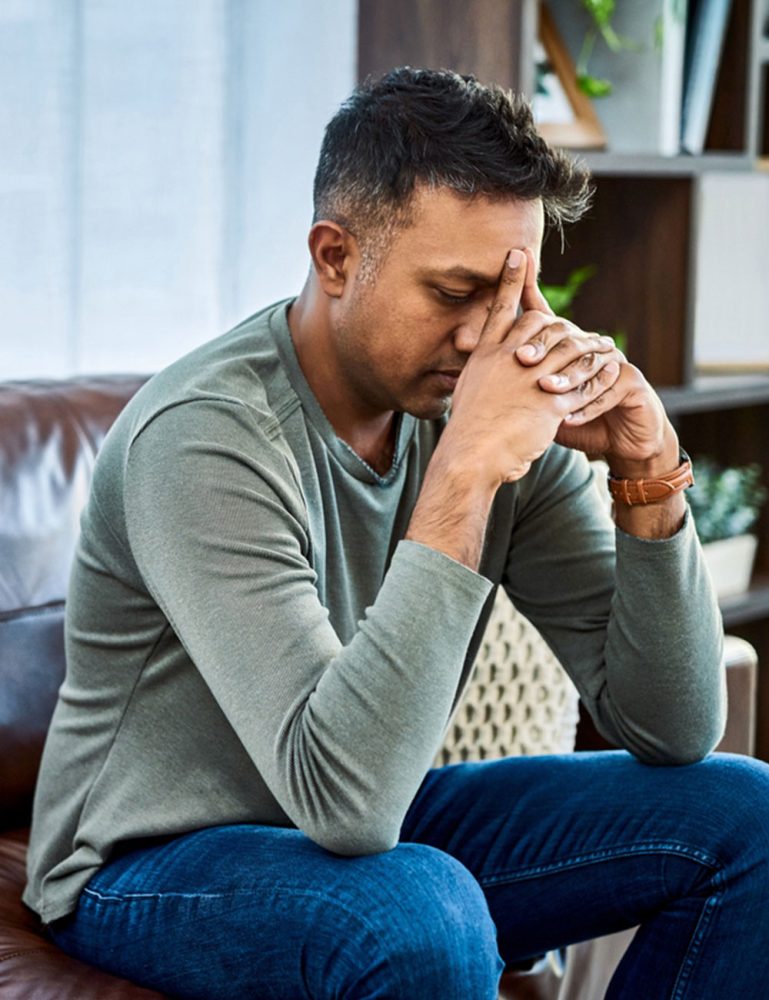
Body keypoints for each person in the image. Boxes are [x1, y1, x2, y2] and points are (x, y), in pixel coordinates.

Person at [24, 67, 769, 999]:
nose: (485, 339)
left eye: (508, 297)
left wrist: (646, 474)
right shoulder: (205, 437)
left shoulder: (484, 414)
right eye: (454, 292)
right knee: (414, 906)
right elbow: (347, 804)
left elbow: (674, 729)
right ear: (335, 257)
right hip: (149, 864)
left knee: (748, 815)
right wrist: (462, 473)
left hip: (369, 822)